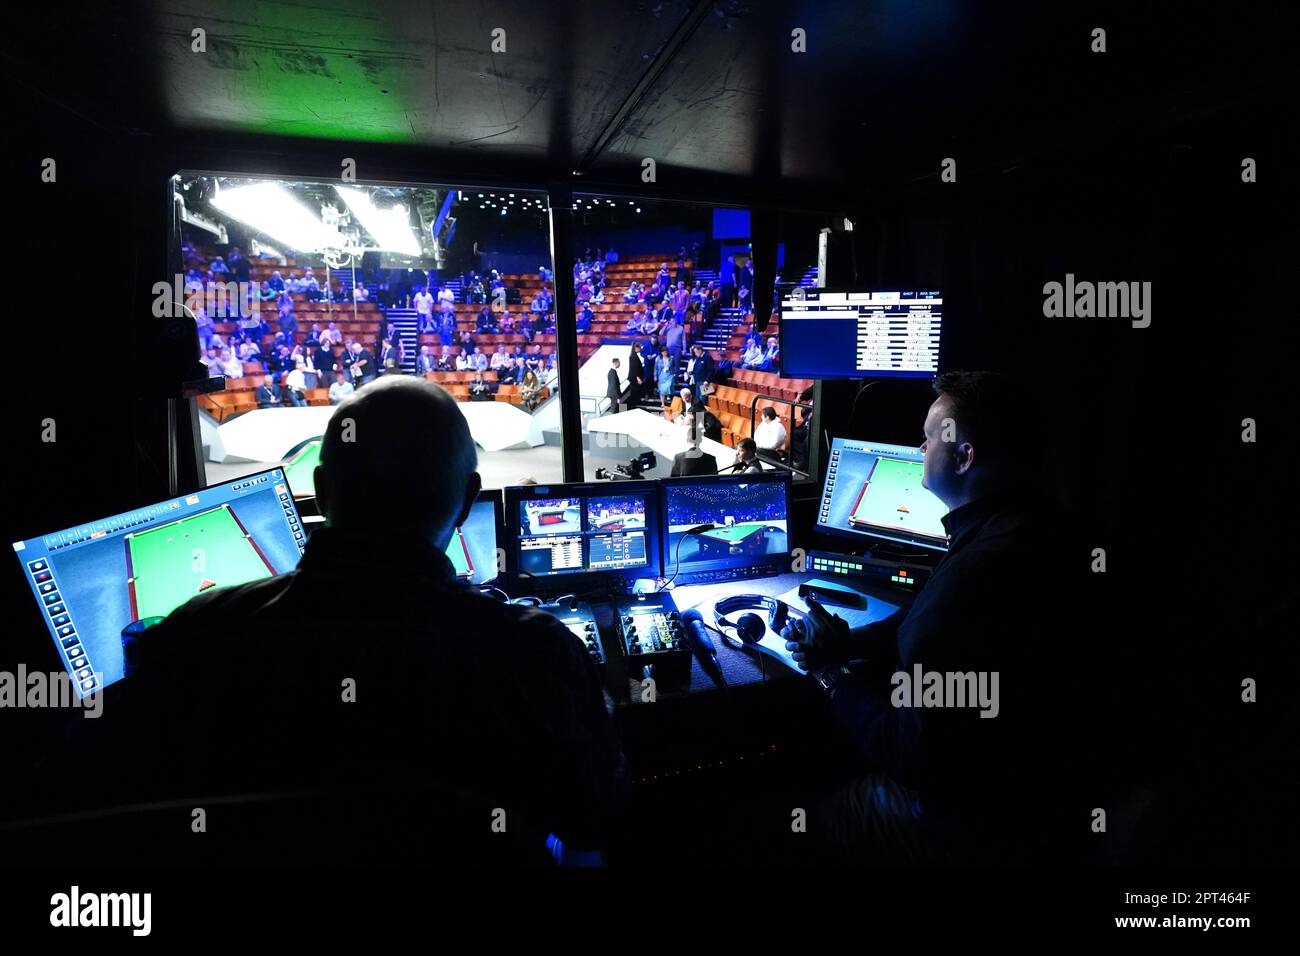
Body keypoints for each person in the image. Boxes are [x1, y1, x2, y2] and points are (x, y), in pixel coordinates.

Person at [104, 377, 624, 862]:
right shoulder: (536, 654)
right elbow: (593, 823)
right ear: (467, 501)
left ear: (322, 489)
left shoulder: (194, 635)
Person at [780, 371, 1090, 865]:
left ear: (964, 458)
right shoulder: (1032, 529)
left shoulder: (969, 582)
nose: (918, 447)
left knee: (811, 811)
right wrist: (850, 644)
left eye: (927, 439)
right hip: (1049, 790)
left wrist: (828, 673)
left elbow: (911, 758)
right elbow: (921, 626)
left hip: (970, 821)